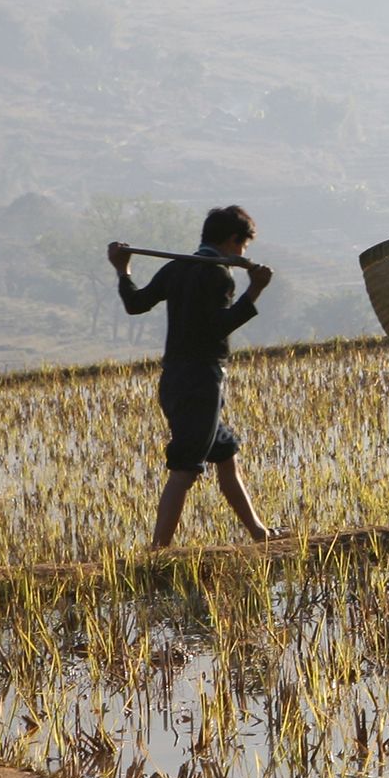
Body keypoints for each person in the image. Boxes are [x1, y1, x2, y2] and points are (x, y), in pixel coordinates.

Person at [108, 207, 274, 547]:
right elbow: (218, 327)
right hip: (200, 381)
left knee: (226, 454)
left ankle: (259, 533)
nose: (244, 254)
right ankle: (158, 551)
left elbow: (135, 304)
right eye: (243, 246)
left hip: (175, 379)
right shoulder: (218, 276)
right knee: (184, 469)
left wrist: (123, 270)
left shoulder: (176, 268)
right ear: (233, 240)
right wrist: (254, 290)